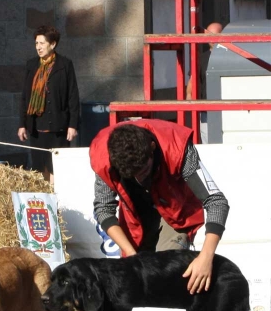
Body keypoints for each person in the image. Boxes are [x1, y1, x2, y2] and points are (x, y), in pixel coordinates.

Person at [90, 118, 229, 295]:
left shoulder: (177, 146)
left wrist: (206, 257)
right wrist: (131, 255)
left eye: (144, 172)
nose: (140, 180)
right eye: (133, 176)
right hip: (136, 217)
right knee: (135, 284)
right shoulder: (104, 156)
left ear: (153, 147)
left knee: (166, 276)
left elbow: (216, 201)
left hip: (175, 211)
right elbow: (103, 209)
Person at [18, 25, 80, 181]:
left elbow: (73, 96)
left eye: (42, 43)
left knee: (56, 168)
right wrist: (22, 124)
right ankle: (43, 202)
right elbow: (25, 96)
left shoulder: (65, 65)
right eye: (36, 43)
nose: (38, 47)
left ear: (53, 44)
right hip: (37, 127)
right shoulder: (32, 65)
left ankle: (56, 202)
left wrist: (73, 125)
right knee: (39, 168)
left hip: (58, 127)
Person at [186, 22, 223, 143]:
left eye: (215, 35)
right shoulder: (200, 59)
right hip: (206, 111)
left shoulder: (230, 57)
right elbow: (192, 82)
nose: (212, 38)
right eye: (209, 35)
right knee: (208, 144)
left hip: (226, 110)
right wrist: (189, 98)